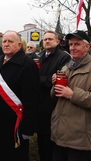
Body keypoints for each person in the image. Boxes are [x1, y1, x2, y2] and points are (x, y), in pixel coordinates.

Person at [50, 30, 91, 161]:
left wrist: (72, 94)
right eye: (71, 44)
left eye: (77, 44)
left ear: (87, 47)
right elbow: (55, 97)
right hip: (59, 133)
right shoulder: (66, 68)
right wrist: (55, 86)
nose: (72, 48)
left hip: (79, 138)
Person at [0, 31, 40, 160]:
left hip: (13, 125)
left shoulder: (28, 65)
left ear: (19, 45)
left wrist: (27, 129)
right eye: (4, 41)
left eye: (10, 41)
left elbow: (31, 99)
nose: (6, 44)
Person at [37, 30, 71, 161]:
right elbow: (33, 78)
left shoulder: (63, 57)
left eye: (50, 39)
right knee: (41, 138)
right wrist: (46, 80)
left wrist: (40, 80)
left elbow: (59, 79)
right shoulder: (39, 56)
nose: (47, 41)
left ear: (57, 42)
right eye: (45, 39)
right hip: (39, 102)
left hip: (53, 102)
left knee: (50, 140)